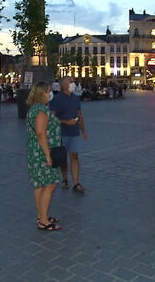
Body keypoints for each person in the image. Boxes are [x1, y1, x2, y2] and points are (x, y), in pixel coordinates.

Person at [26, 82, 62, 231]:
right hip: (42, 152)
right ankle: (44, 220)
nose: (50, 94)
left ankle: (42, 215)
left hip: (35, 152)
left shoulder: (35, 109)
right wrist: (48, 156)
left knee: (40, 185)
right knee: (50, 184)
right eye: (48, 92)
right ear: (42, 93)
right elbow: (41, 133)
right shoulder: (41, 110)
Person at [50, 76, 88, 193]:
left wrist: (83, 130)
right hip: (61, 133)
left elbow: (79, 114)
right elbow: (51, 117)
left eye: (73, 81)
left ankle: (76, 183)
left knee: (75, 157)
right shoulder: (56, 99)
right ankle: (65, 179)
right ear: (64, 85)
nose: (73, 83)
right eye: (71, 82)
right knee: (63, 159)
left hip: (74, 132)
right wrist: (66, 122)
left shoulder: (76, 98)